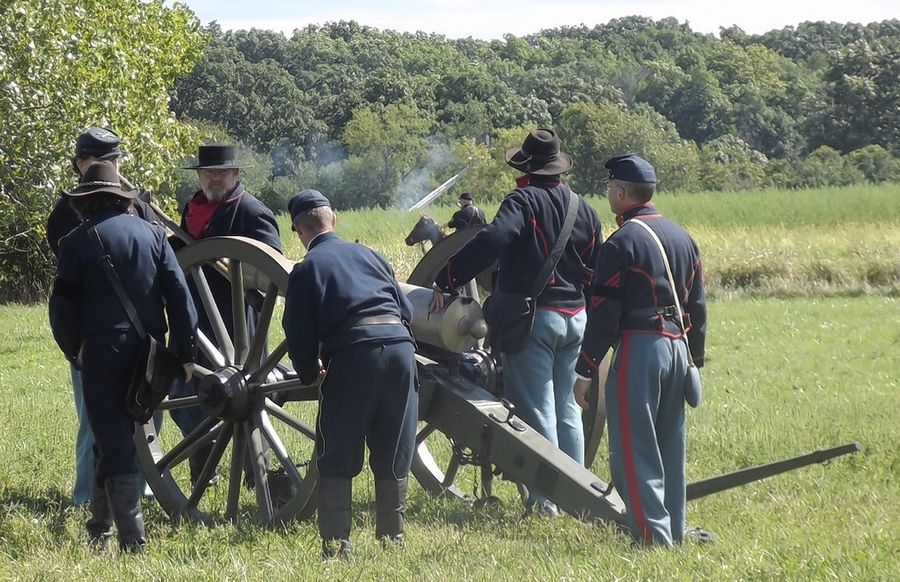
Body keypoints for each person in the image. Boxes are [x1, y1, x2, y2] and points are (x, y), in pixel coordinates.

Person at [430, 128, 603, 517]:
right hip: (576, 318)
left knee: (538, 411)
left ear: (525, 168)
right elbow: (596, 266)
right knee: (567, 410)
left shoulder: (523, 200)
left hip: (535, 321)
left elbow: (496, 237)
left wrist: (449, 275)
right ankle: (581, 497)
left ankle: (545, 503)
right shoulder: (584, 208)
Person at [48, 160, 197, 552]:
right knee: (111, 439)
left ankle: (133, 541)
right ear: (118, 198)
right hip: (149, 353)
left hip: (101, 351)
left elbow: (62, 308)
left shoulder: (77, 242)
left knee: (113, 438)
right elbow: (180, 297)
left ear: (87, 201)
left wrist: (74, 350)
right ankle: (99, 527)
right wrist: (185, 351)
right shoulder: (153, 235)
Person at [573, 154, 707, 547]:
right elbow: (698, 305)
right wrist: (694, 359)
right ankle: (674, 530)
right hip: (677, 346)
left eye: (610, 189)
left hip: (639, 347)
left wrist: (585, 368)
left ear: (620, 192)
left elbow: (604, 312)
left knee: (634, 449)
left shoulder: (622, 242)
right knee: (670, 446)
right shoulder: (683, 237)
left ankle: (652, 538)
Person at [282, 189, 417, 559]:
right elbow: (405, 309)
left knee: (338, 447)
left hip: (355, 353)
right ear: (333, 219)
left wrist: (310, 372)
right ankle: (393, 538)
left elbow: (299, 332)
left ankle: (337, 544)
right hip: (401, 349)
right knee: (393, 444)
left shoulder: (307, 269)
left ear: (298, 230)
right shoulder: (372, 255)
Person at [45, 126, 160, 506]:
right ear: (79, 166)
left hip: (130, 336)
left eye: (108, 161)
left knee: (145, 417)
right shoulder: (65, 215)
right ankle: (87, 495)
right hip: (99, 336)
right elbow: (68, 290)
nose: (102, 168)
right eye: (94, 162)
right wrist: (72, 347)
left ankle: (137, 490)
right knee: (94, 423)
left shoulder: (141, 206)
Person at [172, 143, 282, 483]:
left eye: (221, 172)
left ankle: (255, 473)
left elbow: (270, 271)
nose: (214, 179)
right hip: (194, 320)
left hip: (236, 327)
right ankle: (203, 468)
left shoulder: (252, 212)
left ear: (235, 175)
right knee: (187, 394)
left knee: (244, 399)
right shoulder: (191, 210)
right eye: (208, 173)